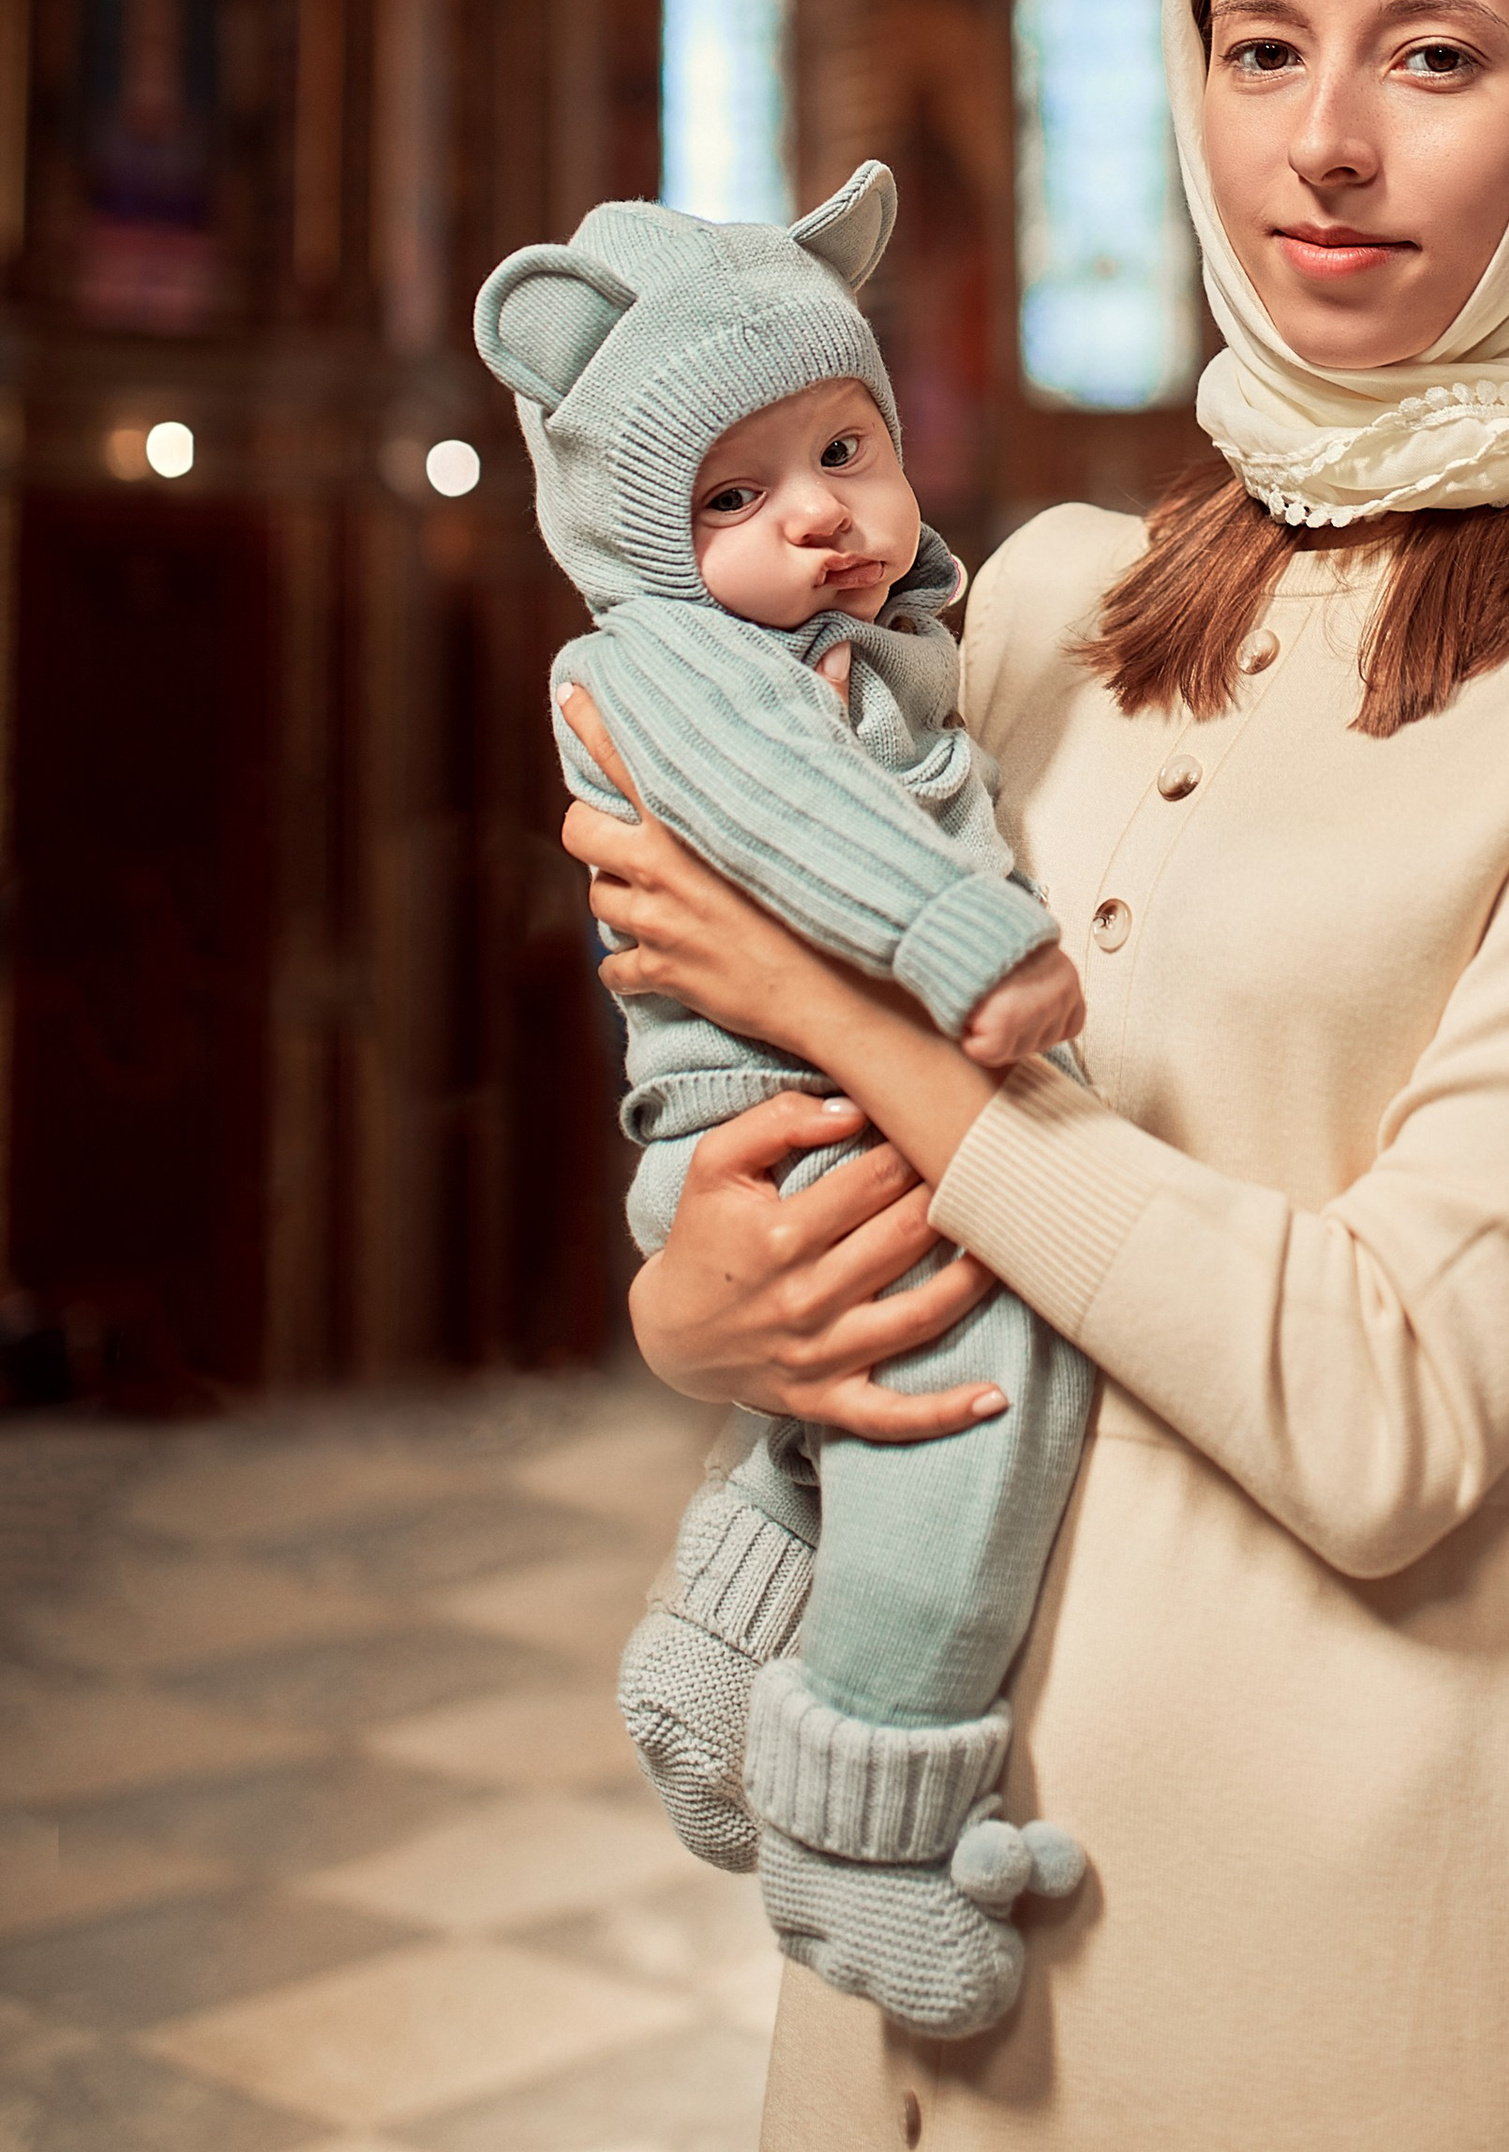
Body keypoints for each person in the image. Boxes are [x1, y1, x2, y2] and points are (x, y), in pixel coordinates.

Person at [564, 0, 1509, 2150]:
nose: (1321, 144)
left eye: (1432, 55)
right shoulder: (1042, 596)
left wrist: (867, 1027)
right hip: (907, 1890)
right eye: (1257, 47)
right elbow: (771, 1126)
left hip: (1349, 1932)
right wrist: (694, 1307)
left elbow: (1389, 1420)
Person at [474, 172, 1091, 2034]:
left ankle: (721, 1636)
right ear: (639, 541)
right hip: (787, 1125)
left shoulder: (863, 637)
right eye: (731, 498)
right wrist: (961, 937)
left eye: (844, 447)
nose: (817, 513)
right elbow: (790, 822)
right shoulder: (670, 663)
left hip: (810, 1120)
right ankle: (864, 1817)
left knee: (871, 1403)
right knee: (990, 1393)